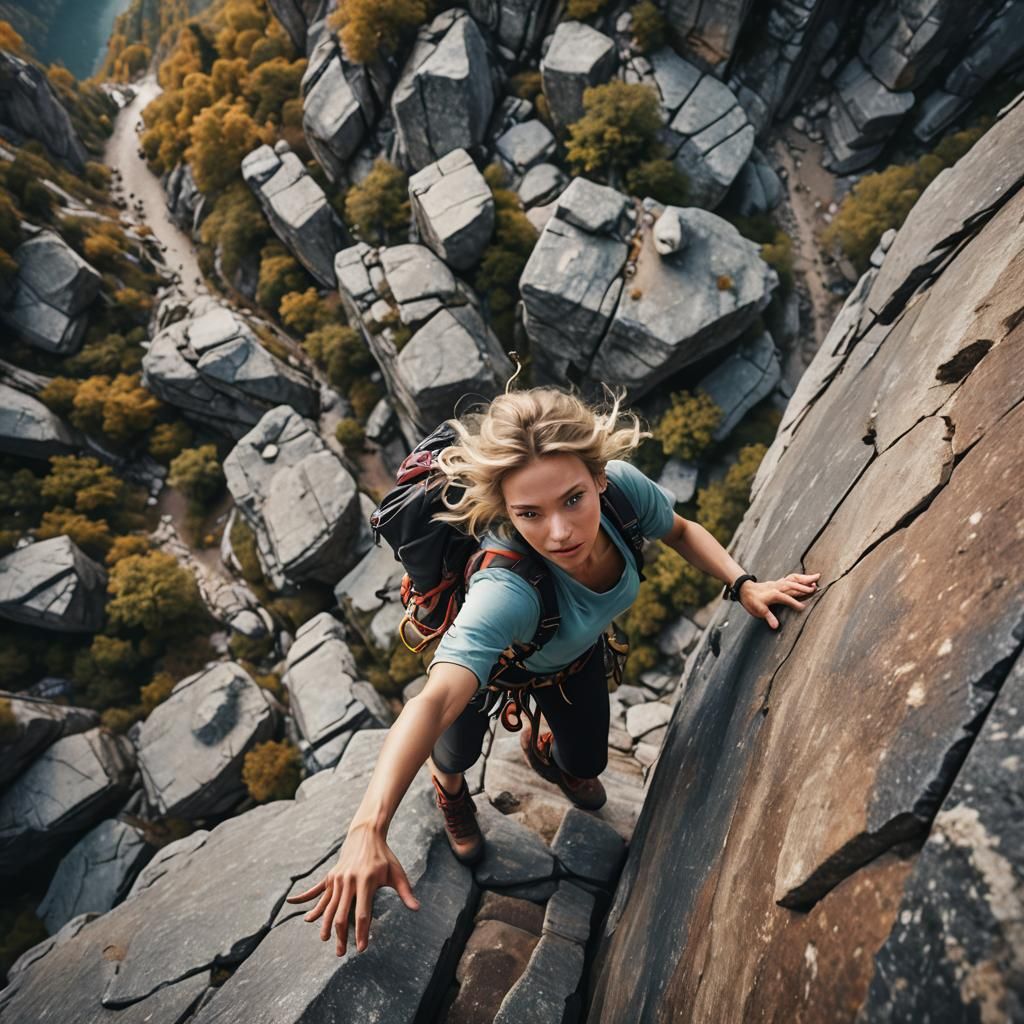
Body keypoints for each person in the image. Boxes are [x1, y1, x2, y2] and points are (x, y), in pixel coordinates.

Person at [285, 386, 820, 957]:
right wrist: (367, 827)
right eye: (529, 514)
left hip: (571, 661)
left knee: (586, 767)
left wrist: (743, 583)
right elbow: (435, 700)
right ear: (505, 511)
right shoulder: (505, 591)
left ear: (600, 480)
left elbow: (681, 530)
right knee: (454, 754)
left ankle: (546, 753)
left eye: (573, 500)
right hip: (493, 672)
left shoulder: (623, 495)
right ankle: (453, 795)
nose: (560, 532)